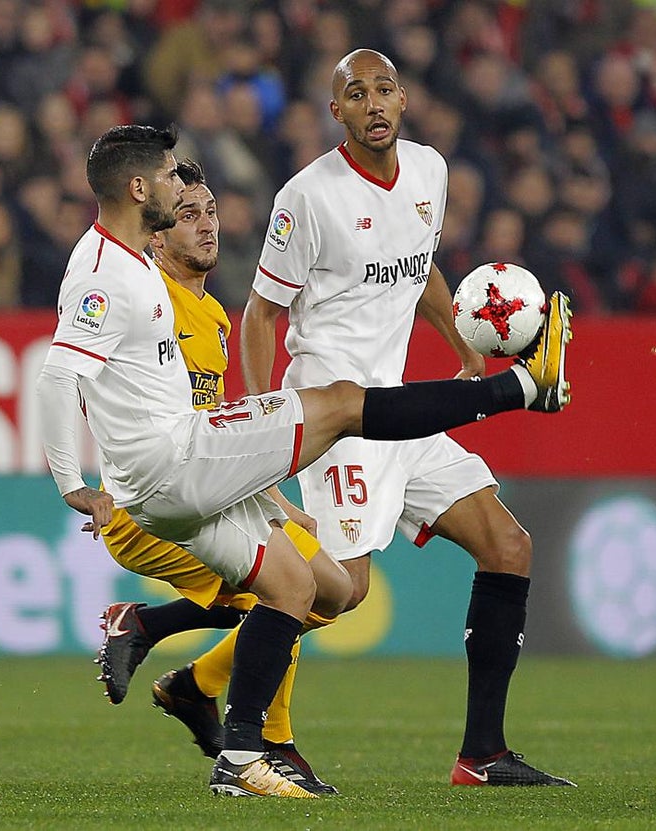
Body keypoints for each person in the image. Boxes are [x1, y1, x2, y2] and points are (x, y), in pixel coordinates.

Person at [37, 123, 570, 797]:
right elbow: (61, 376)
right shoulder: (112, 276)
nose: (200, 209)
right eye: (177, 184)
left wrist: (265, 484)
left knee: (316, 585)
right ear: (141, 191)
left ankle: (236, 753)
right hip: (168, 473)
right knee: (344, 408)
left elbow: (136, 388)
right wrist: (73, 484)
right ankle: (520, 386)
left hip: (189, 464)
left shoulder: (145, 269)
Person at [240, 49, 575, 787]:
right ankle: (195, 671)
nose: (374, 104)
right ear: (338, 113)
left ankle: (481, 754)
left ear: (404, 97)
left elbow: (417, 267)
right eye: (356, 95)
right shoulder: (309, 196)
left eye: (384, 89)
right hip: (339, 417)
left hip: (407, 409)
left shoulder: (431, 172)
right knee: (339, 591)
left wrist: (461, 344)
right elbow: (262, 310)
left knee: (508, 545)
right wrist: (267, 421)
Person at [92, 158, 338, 795]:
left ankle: (178, 666)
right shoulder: (148, 302)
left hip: (205, 493)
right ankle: (265, 745)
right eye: (187, 215)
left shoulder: (214, 317)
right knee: (289, 591)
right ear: (155, 234)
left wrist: (275, 505)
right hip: (148, 508)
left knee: (333, 592)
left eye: (210, 212)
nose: (206, 226)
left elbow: (214, 436)